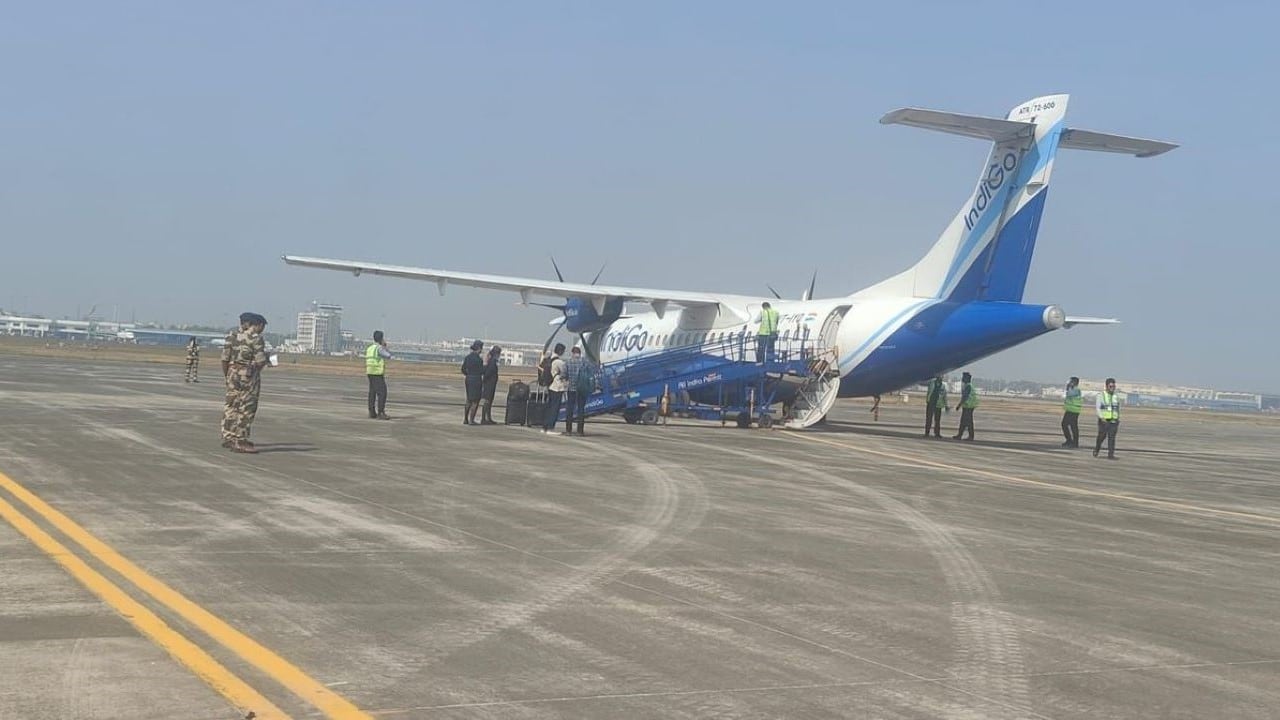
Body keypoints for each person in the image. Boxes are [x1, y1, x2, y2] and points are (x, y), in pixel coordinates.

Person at [220, 312, 269, 453]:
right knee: (247, 409)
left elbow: (224, 358)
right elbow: (260, 361)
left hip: (232, 373)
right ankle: (240, 440)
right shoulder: (256, 338)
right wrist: (263, 363)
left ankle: (228, 437)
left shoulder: (232, 336)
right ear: (258, 325)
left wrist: (227, 376)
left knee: (231, 406)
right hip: (248, 375)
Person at [562, 346, 596, 436]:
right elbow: (591, 373)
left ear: (572, 353)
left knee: (570, 409)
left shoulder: (568, 362)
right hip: (582, 389)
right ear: (580, 353)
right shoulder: (585, 362)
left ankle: (568, 430)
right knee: (581, 409)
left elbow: (564, 375)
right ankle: (580, 431)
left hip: (571, 389)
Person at [365, 330, 392, 420]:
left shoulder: (370, 348)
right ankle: (381, 412)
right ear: (381, 338)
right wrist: (384, 346)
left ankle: (372, 412)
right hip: (377, 373)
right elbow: (388, 356)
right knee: (382, 392)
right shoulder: (379, 348)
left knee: (372, 392)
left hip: (370, 372)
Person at [542, 343, 568, 434]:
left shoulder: (548, 359)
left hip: (550, 386)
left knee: (549, 407)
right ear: (560, 351)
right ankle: (550, 427)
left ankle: (544, 426)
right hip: (557, 386)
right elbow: (564, 373)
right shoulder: (559, 362)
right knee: (555, 408)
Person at [1094, 377, 1121, 459]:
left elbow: (1118, 408)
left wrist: (1118, 418)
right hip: (1104, 420)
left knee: (1112, 438)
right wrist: (1101, 417)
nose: (1112, 388)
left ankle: (1111, 454)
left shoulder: (1116, 396)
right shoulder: (1101, 395)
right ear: (1106, 386)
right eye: (1110, 386)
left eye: (1113, 387)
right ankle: (1097, 448)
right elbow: (1098, 408)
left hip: (1113, 421)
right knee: (1101, 436)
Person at [461, 340, 484, 425]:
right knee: (475, 401)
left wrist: (468, 374)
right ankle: (471, 420)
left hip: (468, 378)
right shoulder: (479, 359)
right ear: (479, 349)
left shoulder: (468, 357)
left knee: (468, 400)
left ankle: (465, 419)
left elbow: (463, 369)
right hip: (476, 379)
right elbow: (482, 371)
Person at [952, 371, 978, 441]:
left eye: (963, 378)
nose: (962, 379)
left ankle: (970, 436)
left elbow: (965, 397)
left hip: (968, 406)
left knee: (968, 422)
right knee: (964, 421)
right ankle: (960, 435)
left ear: (966, 379)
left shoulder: (968, 386)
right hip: (968, 406)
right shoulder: (969, 386)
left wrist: (959, 405)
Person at [479, 346, 501, 425]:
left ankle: (488, 418)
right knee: (487, 401)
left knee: (489, 401)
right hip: (489, 384)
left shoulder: (492, 361)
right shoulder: (492, 362)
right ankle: (484, 418)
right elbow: (488, 373)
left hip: (491, 383)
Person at [1061, 376, 1082, 447]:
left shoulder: (1076, 390)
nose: (1069, 383)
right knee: (1068, 425)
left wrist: (1068, 386)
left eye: (1071, 382)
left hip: (1074, 410)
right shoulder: (1073, 389)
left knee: (1070, 425)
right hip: (1070, 410)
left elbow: (1069, 394)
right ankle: (1070, 440)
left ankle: (1073, 442)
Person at [924, 374, 947, 439]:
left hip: (938, 405)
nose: (941, 378)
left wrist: (946, 405)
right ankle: (927, 433)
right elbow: (929, 392)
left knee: (937, 420)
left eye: (941, 377)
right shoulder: (932, 383)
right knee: (929, 419)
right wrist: (927, 400)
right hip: (931, 403)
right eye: (940, 377)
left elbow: (944, 396)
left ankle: (937, 433)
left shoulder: (943, 386)